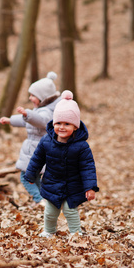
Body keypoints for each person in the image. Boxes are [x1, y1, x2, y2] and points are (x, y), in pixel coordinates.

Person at [24, 90, 99, 237]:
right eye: (58, 123)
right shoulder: (46, 141)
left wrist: (90, 187)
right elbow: (37, 159)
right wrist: (31, 176)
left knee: (70, 211)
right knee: (50, 212)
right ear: (53, 123)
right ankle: (48, 231)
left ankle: (76, 234)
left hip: (73, 185)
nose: (62, 127)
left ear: (75, 126)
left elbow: (88, 167)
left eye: (67, 124)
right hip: (52, 183)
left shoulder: (81, 146)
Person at [0, 72, 61, 206]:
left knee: (25, 177)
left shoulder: (46, 112)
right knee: (35, 178)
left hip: (37, 150)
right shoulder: (39, 109)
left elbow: (41, 121)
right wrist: (10, 120)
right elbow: (27, 121)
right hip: (35, 149)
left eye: (33, 95)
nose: (30, 98)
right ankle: (43, 200)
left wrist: (28, 114)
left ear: (43, 97)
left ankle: (39, 200)